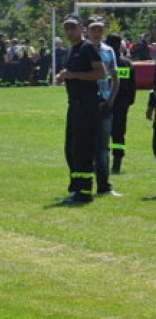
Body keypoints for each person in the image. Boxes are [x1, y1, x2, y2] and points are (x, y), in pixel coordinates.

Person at [55, 15, 106, 205]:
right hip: (74, 104)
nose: (69, 31)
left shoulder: (88, 48)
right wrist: (62, 77)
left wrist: (73, 75)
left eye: (73, 27)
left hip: (88, 105)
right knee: (71, 148)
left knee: (83, 148)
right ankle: (76, 186)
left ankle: (85, 191)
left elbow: (101, 73)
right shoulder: (71, 50)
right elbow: (70, 74)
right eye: (66, 28)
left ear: (81, 28)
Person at [87, 17, 119, 196]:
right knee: (86, 144)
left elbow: (115, 77)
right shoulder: (84, 50)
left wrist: (111, 99)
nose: (97, 33)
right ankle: (83, 185)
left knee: (103, 146)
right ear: (88, 31)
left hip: (104, 102)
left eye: (100, 30)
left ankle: (104, 186)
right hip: (87, 103)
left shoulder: (109, 51)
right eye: (94, 30)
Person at [106, 33, 136, 175]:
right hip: (122, 103)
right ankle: (117, 162)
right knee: (119, 133)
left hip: (106, 101)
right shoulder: (127, 63)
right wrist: (129, 101)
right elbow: (132, 85)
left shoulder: (105, 62)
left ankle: (98, 162)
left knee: (101, 132)